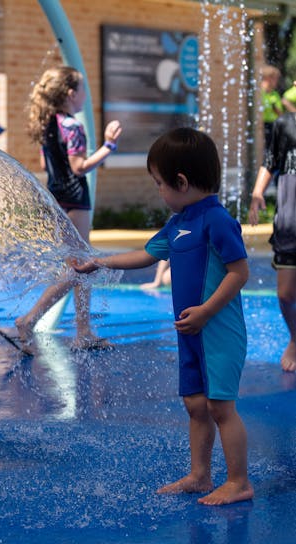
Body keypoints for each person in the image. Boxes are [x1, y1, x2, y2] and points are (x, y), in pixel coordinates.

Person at [73, 127, 253, 506]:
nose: (158, 190)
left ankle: (239, 481)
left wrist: (206, 311)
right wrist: (98, 263)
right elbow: (146, 254)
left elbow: (240, 272)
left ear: (182, 182)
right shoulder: (179, 223)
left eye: (159, 183)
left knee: (221, 407)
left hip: (218, 330)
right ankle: (200, 475)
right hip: (191, 330)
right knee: (195, 404)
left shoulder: (216, 221)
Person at [2, 66, 122, 355]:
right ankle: (28, 320)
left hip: (56, 198)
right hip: (75, 200)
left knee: (81, 263)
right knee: (80, 266)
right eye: (82, 89)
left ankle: (83, 331)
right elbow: (79, 167)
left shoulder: (49, 124)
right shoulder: (72, 126)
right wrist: (109, 146)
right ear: (70, 94)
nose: (84, 96)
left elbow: (47, 166)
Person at [249, 108, 296, 372]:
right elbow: (270, 160)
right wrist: (257, 193)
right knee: (286, 293)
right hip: (291, 222)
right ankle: (295, 338)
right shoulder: (284, 123)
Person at [260, 65, 283, 148]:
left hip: (273, 125)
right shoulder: (259, 93)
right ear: (268, 78)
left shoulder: (274, 94)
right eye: (275, 78)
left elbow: (280, 113)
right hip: (263, 125)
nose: (277, 81)